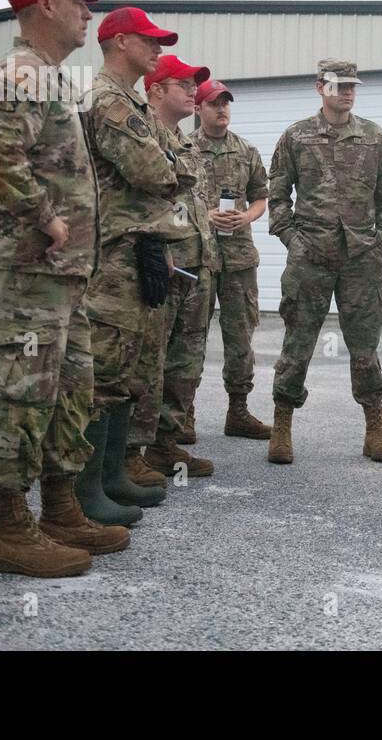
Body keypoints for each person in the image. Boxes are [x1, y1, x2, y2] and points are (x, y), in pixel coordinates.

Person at [0, 0, 125, 577]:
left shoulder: (52, 78)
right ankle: (10, 531)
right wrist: (45, 217)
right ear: (44, 5)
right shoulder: (19, 73)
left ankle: (60, 509)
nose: (89, 12)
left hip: (62, 277)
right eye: (78, 1)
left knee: (69, 392)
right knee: (20, 397)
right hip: (25, 272)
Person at [79, 7, 191, 523]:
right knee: (104, 370)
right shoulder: (108, 101)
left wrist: (171, 166)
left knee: (125, 369)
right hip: (112, 253)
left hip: (138, 249)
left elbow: (170, 167)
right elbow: (153, 169)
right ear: (120, 42)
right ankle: (86, 492)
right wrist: (172, 166)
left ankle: (111, 476)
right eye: (150, 41)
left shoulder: (129, 103)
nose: (159, 51)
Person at [266, 59, 382, 464]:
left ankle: (374, 426)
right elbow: (276, 196)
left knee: (365, 346)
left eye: (352, 86)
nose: (347, 92)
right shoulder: (296, 136)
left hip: (361, 259)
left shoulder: (375, 138)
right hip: (311, 257)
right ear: (320, 87)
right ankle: (282, 426)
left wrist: (381, 240)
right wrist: (293, 240)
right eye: (339, 86)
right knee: (298, 341)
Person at [135, 55, 218, 479]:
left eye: (193, 85)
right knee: (149, 361)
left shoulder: (184, 141)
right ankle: (132, 452)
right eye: (183, 84)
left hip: (196, 266)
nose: (193, 91)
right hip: (164, 268)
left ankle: (166, 445)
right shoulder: (142, 135)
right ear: (155, 90)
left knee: (186, 364)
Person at [192, 79, 271, 441]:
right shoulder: (184, 149)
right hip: (199, 257)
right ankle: (180, 415)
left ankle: (238, 411)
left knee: (240, 337)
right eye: (213, 103)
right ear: (198, 109)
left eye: (225, 102)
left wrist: (247, 216)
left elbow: (260, 197)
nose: (221, 108)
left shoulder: (246, 150)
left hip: (239, 258)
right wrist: (205, 216)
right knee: (189, 337)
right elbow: (171, 202)